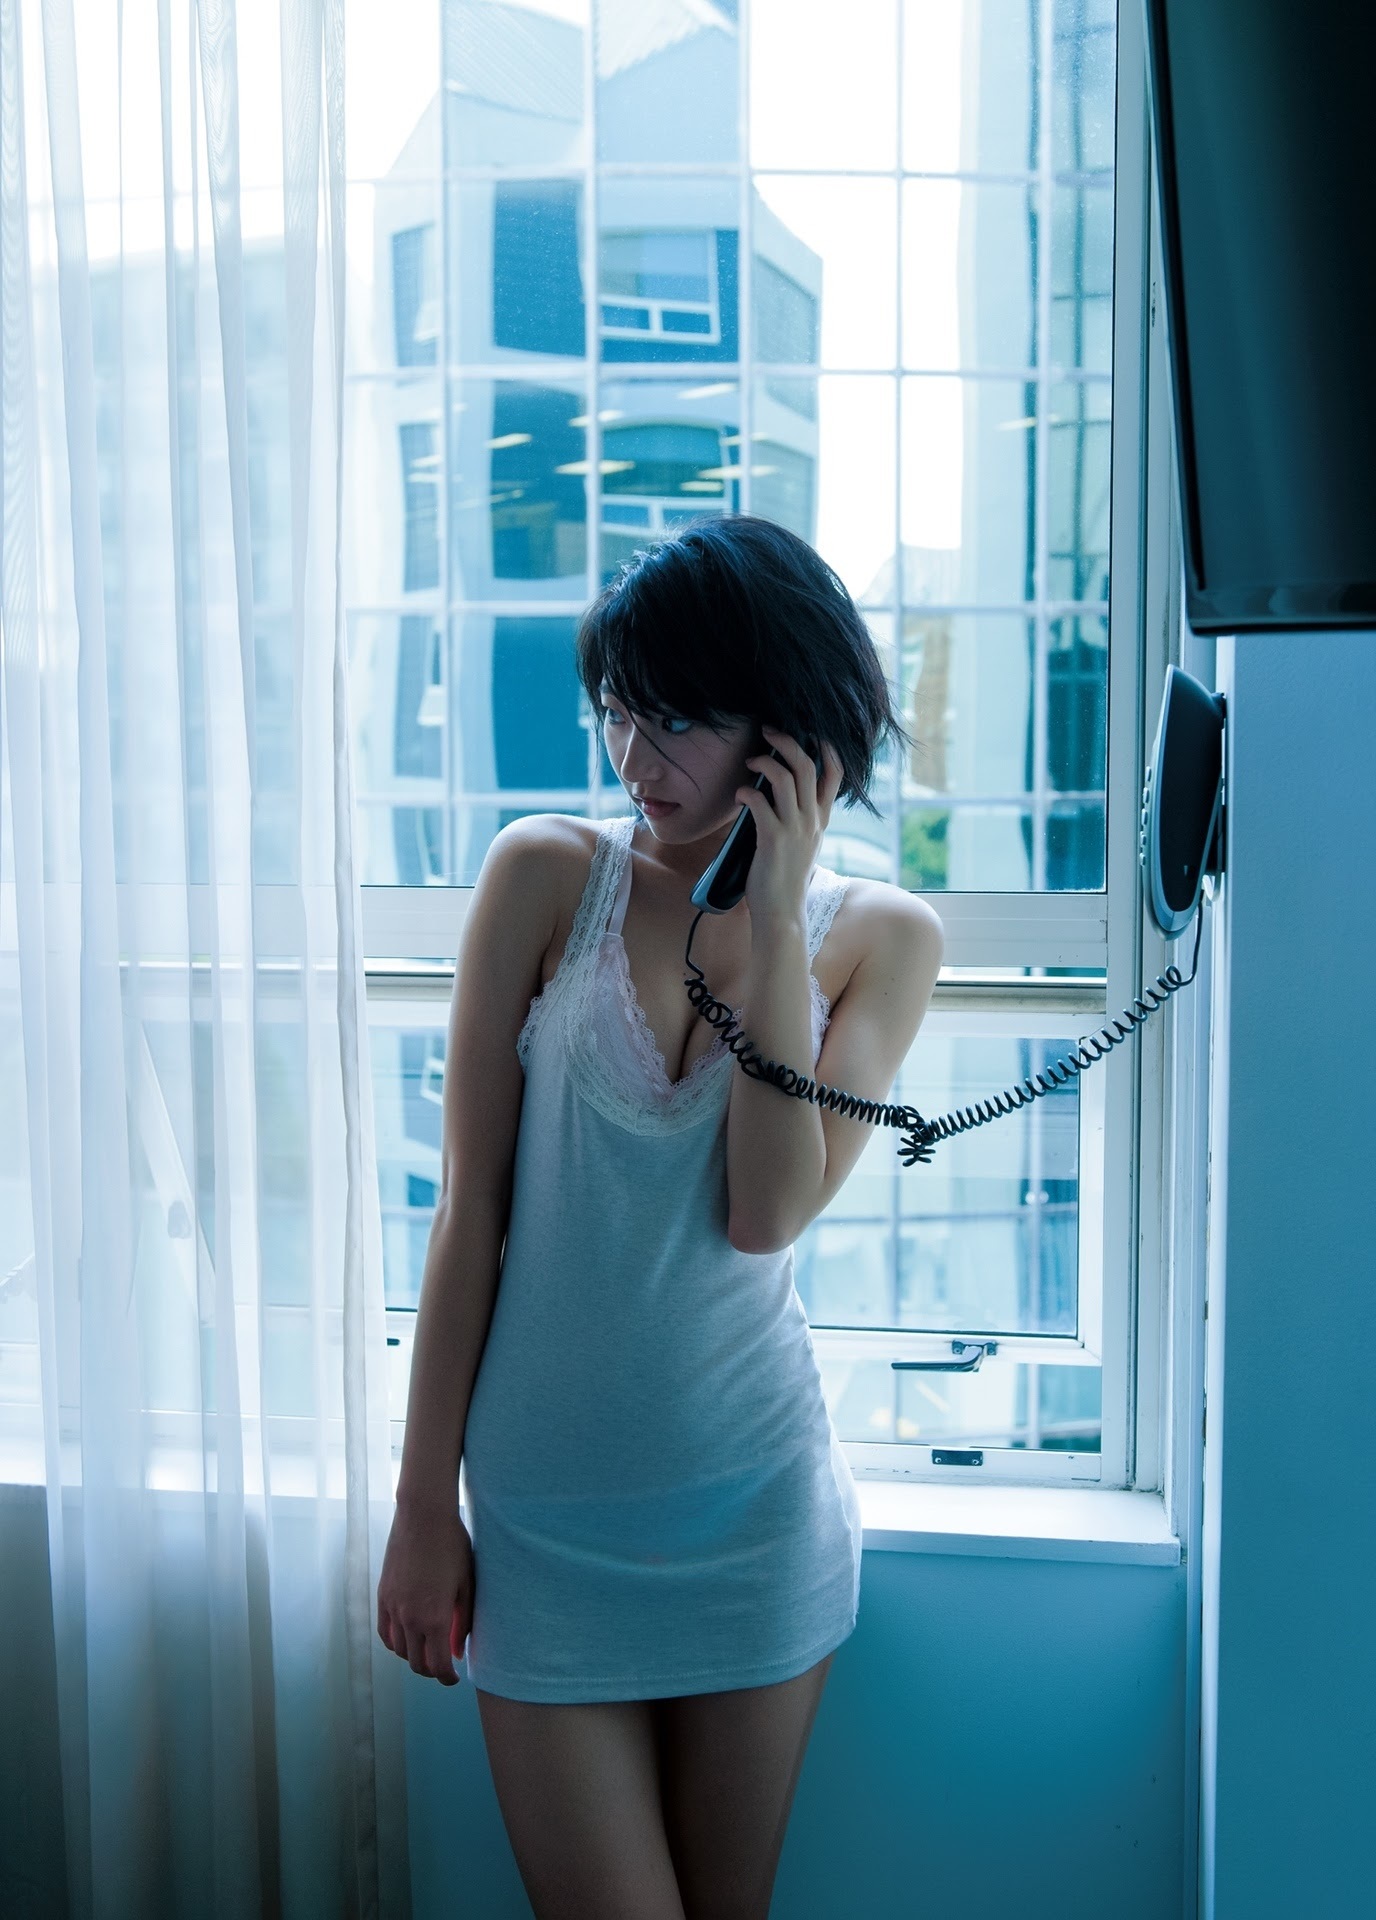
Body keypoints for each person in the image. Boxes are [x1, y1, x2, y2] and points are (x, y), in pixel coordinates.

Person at [376, 515, 944, 1919]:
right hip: (543, 1526)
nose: (638, 758)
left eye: (678, 720)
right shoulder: (542, 875)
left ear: (787, 730)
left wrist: (778, 912)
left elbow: (766, 1213)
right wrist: (421, 1506)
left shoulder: (883, 940)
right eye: (620, 714)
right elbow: (469, 1211)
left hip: (752, 1518)